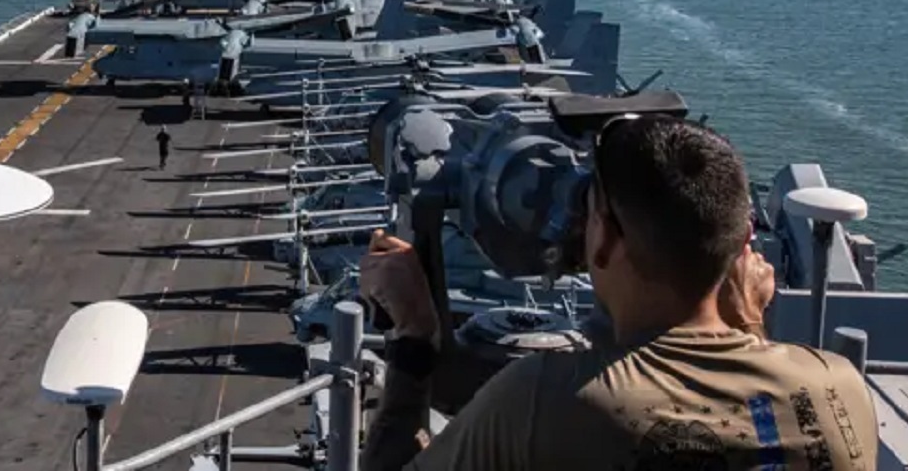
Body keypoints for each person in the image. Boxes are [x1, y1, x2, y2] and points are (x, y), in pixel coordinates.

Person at [360, 115, 878, 470]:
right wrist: (745, 325)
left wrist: (415, 336)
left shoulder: (544, 402)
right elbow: (753, 416)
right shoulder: (838, 388)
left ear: (604, 239)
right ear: (745, 242)